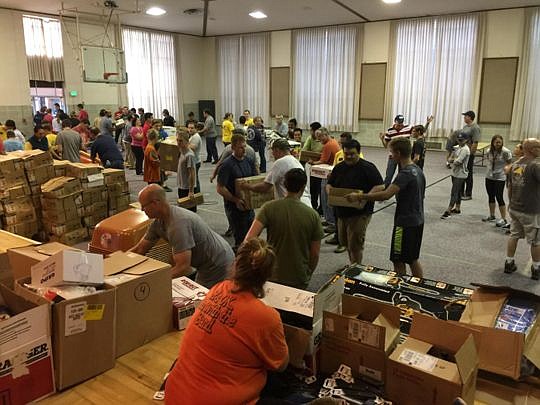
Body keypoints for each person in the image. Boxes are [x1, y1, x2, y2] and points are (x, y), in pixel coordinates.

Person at [164, 238, 288, 405]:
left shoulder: (218, 288)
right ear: (268, 275)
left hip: (176, 394)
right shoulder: (267, 317)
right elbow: (281, 364)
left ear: (235, 264)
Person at [132, 184, 235, 287]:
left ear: (155, 203)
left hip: (218, 264)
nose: (141, 210)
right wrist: (120, 262)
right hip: (205, 262)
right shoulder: (158, 222)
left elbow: (183, 267)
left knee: (205, 299)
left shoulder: (178, 224)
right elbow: (140, 249)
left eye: (143, 206)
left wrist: (152, 282)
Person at [353, 138, 426, 277]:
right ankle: (419, 287)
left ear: (398, 153)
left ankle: (400, 288)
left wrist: (361, 196)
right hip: (418, 220)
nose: (390, 155)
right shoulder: (417, 170)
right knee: (412, 259)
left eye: (391, 152)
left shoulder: (405, 174)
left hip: (404, 223)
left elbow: (386, 195)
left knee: (397, 260)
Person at [245, 169, 324, 289]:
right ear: (303, 187)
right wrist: (308, 273)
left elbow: (249, 239)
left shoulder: (268, 208)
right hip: (298, 276)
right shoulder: (313, 215)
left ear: (285, 185)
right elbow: (315, 254)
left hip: (272, 273)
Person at [327, 140, 384, 265]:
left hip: (360, 212)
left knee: (355, 244)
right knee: (345, 242)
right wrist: (329, 192)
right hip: (341, 212)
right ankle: (352, 265)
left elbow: (380, 186)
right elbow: (330, 183)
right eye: (346, 153)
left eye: (352, 154)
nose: (348, 156)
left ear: (359, 152)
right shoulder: (339, 167)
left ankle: (356, 270)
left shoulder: (368, 168)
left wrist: (362, 197)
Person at [504, 138, 540, 280]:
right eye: (538, 146)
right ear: (531, 149)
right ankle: (537, 268)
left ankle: (509, 262)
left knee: (514, 235)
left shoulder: (515, 164)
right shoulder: (536, 165)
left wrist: (511, 203)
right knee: (536, 240)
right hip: (531, 210)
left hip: (515, 207)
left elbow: (510, 186)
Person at [240, 138, 311, 207]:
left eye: (272, 151)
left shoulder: (280, 162)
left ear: (277, 150)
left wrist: (247, 186)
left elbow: (265, 187)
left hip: (293, 207)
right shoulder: (295, 161)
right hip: (305, 204)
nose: (272, 154)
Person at [216, 133, 258, 248]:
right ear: (233, 147)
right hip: (235, 208)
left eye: (245, 146)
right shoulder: (227, 165)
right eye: (241, 147)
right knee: (241, 240)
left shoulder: (248, 160)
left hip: (249, 206)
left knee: (251, 238)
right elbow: (220, 188)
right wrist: (235, 200)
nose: (244, 150)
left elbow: (255, 179)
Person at [310, 128, 340, 234]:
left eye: (320, 137)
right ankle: (329, 220)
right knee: (326, 198)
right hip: (333, 171)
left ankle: (331, 222)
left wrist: (312, 162)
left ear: (325, 135)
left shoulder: (328, 145)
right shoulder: (333, 141)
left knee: (325, 197)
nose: (319, 140)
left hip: (328, 173)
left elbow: (322, 160)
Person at [482, 135, 512, 226]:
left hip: (500, 177)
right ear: (492, 142)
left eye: (499, 142)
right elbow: (489, 161)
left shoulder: (506, 152)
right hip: (489, 176)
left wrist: (508, 175)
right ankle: (492, 215)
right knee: (491, 196)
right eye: (496, 142)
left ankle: (503, 218)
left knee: (499, 196)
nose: (497, 144)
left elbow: (509, 164)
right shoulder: (489, 151)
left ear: (502, 142)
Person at [441, 133, 470, 219]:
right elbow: (451, 157)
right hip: (455, 173)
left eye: (462, 140)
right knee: (459, 191)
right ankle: (457, 208)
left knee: (454, 192)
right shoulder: (458, 147)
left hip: (461, 174)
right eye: (458, 140)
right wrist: (452, 158)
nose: (460, 141)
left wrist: (451, 160)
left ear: (466, 140)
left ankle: (448, 210)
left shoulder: (465, 149)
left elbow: (458, 161)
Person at [460, 110, 481, 200]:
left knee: (468, 173)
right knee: (462, 172)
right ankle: (461, 192)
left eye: (466, 116)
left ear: (470, 117)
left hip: (469, 153)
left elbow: (475, 142)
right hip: (463, 152)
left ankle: (468, 193)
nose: (464, 117)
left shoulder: (475, 127)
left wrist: (470, 154)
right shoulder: (465, 127)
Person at [302, 122, 323, 211]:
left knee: (322, 189)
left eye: (311, 130)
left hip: (323, 166)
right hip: (313, 165)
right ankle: (314, 206)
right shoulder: (310, 138)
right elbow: (304, 150)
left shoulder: (323, 139)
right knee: (313, 188)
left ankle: (322, 208)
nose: (310, 132)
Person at [176, 130, 197, 213]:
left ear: (187, 141)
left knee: (189, 212)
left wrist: (191, 191)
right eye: (177, 140)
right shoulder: (181, 152)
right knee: (183, 212)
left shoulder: (189, 155)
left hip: (187, 188)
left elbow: (192, 173)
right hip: (181, 186)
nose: (178, 142)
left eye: (181, 141)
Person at [188, 122, 202, 193]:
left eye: (192, 128)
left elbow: (193, 147)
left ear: (196, 129)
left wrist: (184, 144)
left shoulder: (196, 137)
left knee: (195, 179)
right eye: (189, 128)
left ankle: (197, 193)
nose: (190, 130)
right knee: (195, 178)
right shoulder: (192, 136)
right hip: (194, 160)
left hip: (195, 161)